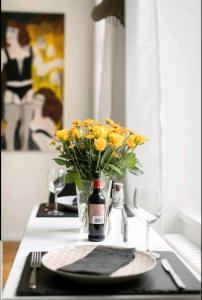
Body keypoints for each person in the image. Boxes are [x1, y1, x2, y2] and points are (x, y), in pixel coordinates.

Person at [1, 20, 63, 150]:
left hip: (28, 93)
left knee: (25, 129)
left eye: (12, 31)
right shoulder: (4, 53)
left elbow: (41, 69)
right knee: (11, 127)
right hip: (11, 93)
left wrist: (56, 63)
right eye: (7, 30)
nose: (8, 34)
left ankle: (24, 154)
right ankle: (10, 154)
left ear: (20, 33)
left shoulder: (31, 50)